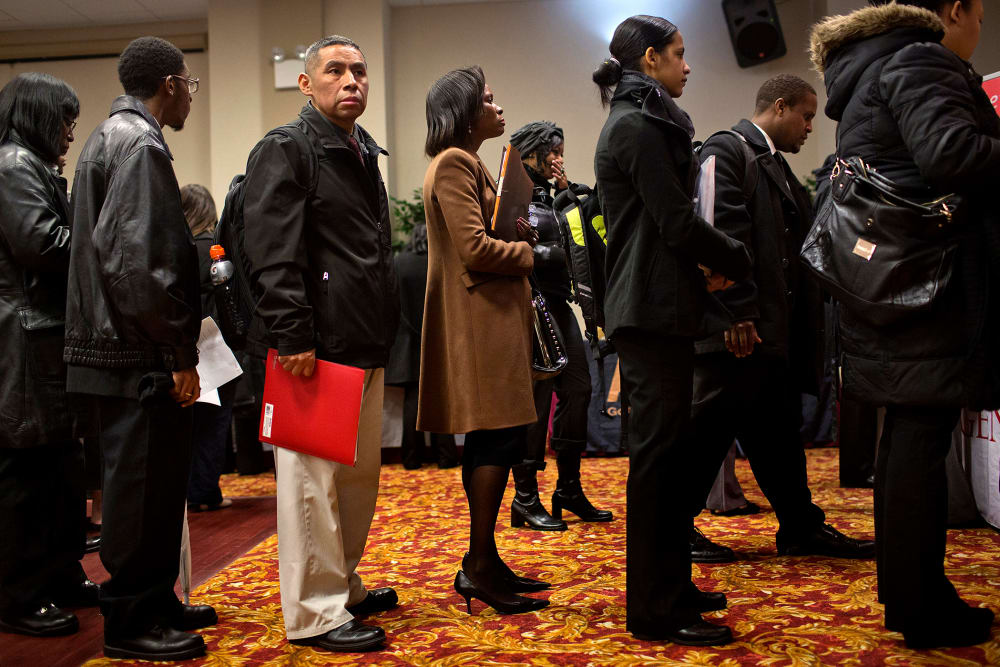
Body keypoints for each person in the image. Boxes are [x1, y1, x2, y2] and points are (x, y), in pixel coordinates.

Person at [810, 0, 998, 649]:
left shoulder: (869, 72)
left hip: (889, 283)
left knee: (902, 445)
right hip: (928, 286)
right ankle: (922, 604)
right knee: (918, 444)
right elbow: (953, 154)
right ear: (955, 10)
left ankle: (910, 592)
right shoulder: (921, 61)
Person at [592, 15, 751, 646]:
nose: (688, 65)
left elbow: (672, 229)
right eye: (680, 55)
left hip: (661, 305)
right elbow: (676, 225)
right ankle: (654, 609)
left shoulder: (646, 120)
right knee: (656, 465)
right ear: (651, 58)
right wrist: (740, 257)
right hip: (647, 311)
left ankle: (674, 588)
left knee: (670, 458)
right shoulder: (635, 125)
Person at [242, 35, 400, 653]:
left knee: (357, 482)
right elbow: (271, 252)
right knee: (311, 484)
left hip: (363, 340)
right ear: (307, 84)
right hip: (313, 347)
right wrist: (292, 334)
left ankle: (342, 586)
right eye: (335, 70)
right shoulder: (287, 149)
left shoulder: (362, 151)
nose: (351, 79)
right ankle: (314, 613)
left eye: (359, 70)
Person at [64, 36, 215, 661]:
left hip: (121, 347)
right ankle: (129, 622)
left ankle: (155, 600)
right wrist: (179, 350)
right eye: (189, 86)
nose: (190, 98)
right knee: (137, 492)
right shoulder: (139, 143)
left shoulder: (112, 137)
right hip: (133, 353)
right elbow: (140, 265)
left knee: (155, 488)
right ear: (172, 84)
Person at [687, 75, 876, 563]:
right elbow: (714, 232)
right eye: (807, 115)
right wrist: (735, 314)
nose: (811, 127)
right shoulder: (726, 150)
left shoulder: (770, 162)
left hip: (765, 331)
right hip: (739, 329)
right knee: (708, 431)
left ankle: (799, 526)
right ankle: (674, 528)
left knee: (775, 432)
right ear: (779, 106)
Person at [419, 66, 550, 616]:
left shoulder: (472, 164)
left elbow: (487, 235)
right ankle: (477, 566)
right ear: (465, 112)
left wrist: (519, 233)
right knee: (495, 439)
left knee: (499, 439)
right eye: (489, 101)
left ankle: (486, 560)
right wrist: (532, 255)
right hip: (478, 321)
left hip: (491, 317)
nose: (499, 109)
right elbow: (473, 249)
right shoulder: (453, 162)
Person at [0, 72, 99, 638]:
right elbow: (42, 244)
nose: (69, 131)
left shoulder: (30, 166)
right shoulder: (13, 165)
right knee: (26, 474)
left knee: (62, 468)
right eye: (64, 119)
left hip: (42, 335)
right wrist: (104, 238)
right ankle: (19, 595)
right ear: (38, 116)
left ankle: (62, 574)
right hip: (21, 340)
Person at [507, 120, 612, 530]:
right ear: (528, 153)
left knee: (580, 388)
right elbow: (516, 249)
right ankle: (525, 496)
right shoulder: (512, 199)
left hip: (560, 304)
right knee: (537, 398)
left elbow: (584, 242)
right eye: (550, 151)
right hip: (528, 307)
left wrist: (573, 198)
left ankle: (568, 487)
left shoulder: (561, 199)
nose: (557, 158)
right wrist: (554, 254)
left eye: (560, 150)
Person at [384, 223, 459, 470]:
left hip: (407, 344)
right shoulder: (441, 261)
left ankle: (411, 458)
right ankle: (446, 457)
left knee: (412, 401)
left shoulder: (399, 262)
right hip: (438, 339)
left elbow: (390, 301)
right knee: (441, 399)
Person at [180, 184, 236, 513]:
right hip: (215, 345)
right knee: (215, 422)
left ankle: (188, 490)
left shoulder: (175, 247)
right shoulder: (215, 249)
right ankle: (205, 492)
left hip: (183, 344)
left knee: (188, 424)